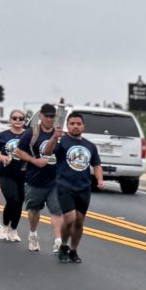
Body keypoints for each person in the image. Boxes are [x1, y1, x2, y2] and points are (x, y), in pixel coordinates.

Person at [42, 112, 106, 263]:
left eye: (78, 123)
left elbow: (96, 165)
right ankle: (63, 245)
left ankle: (73, 250)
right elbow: (47, 152)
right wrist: (53, 138)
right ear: (67, 125)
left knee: (79, 221)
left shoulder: (90, 146)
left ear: (83, 126)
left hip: (84, 188)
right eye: (72, 123)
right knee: (69, 218)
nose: (75, 126)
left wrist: (100, 180)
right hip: (65, 186)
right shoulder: (62, 142)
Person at [16, 104, 64, 253]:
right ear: (41, 116)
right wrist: (34, 160)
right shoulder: (32, 133)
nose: (50, 119)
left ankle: (58, 242)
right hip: (35, 179)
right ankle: (33, 234)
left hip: (55, 180)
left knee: (57, 211)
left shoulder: (59, 134)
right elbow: (19, 151)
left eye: (52, 116)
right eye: (47, 116)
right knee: (34, 210)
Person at [0, 110, 27, 242]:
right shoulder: (3, 135)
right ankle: (4, 226)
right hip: (6, 173)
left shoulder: (28, 135)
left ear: (24, 120)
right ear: (10, 120)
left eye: (20, 118)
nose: (17, 120)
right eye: (15, 118)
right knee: (12, 199)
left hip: (23, 173)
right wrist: (2, 157)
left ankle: (13, 229)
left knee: (19, 202)